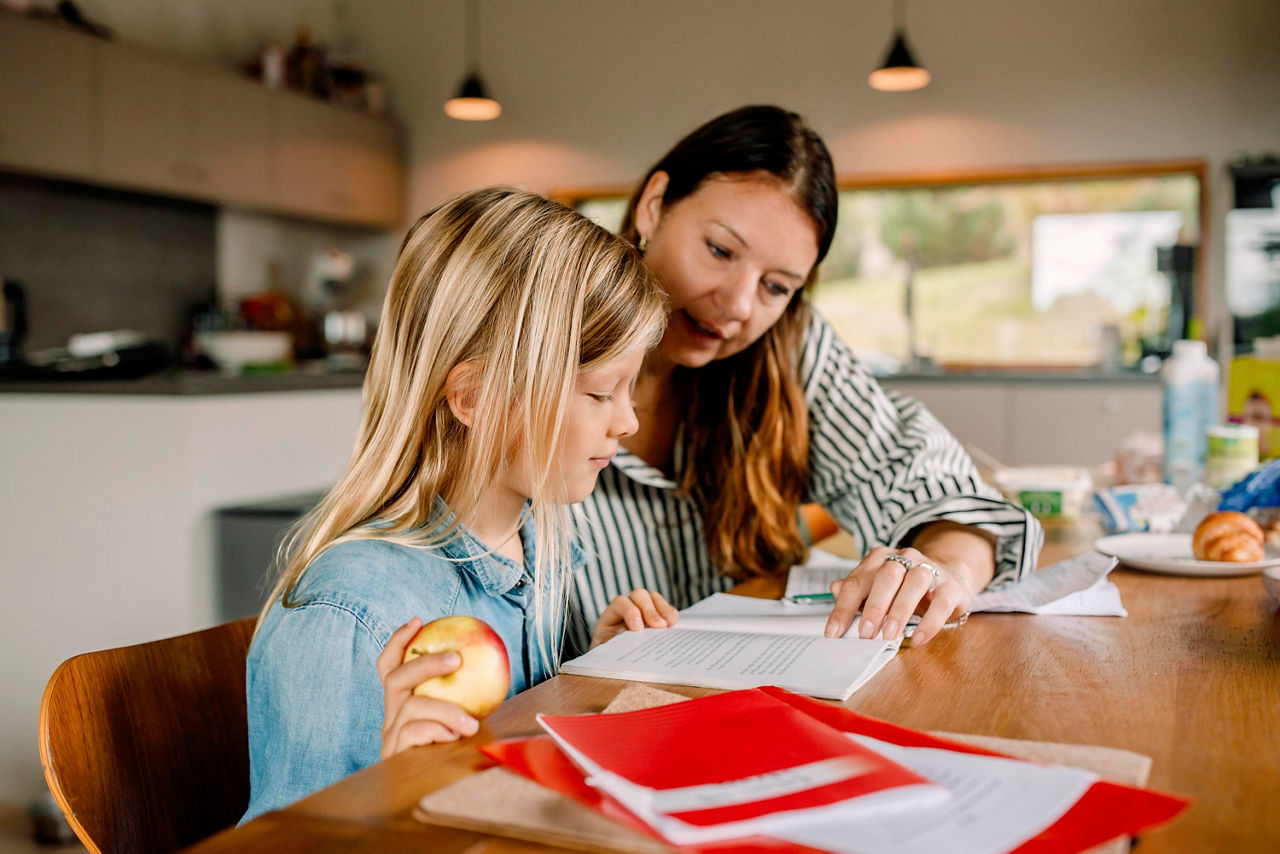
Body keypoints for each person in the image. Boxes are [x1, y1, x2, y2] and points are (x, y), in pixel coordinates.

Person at [241, 187, 675, 822]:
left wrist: (588, 672)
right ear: (472, 398)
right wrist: (399, 784)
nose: (628, 422)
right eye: (600, 392)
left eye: (629, 389)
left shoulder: (539, 541)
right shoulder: (350, 614)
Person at [567, 105, 1044, 653]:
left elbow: (922, 477)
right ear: (654, 206)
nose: (739, 304)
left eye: (776, 286)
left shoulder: (789, 349)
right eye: (720, 251)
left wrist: (944, 565)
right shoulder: (533, 344)